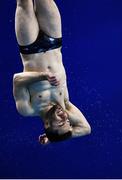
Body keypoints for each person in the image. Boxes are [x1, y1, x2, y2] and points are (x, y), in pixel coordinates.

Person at [13, 0, 91, 144]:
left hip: (30, 47)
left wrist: (42, 76)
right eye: (68, 121)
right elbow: (85, 129)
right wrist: (52, 138)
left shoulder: (28, 109)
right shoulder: (64, 104)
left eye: (61, 123)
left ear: (47, 125)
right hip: (53, 42)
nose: (65, 117)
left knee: (24, 3)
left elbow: (17, 79)